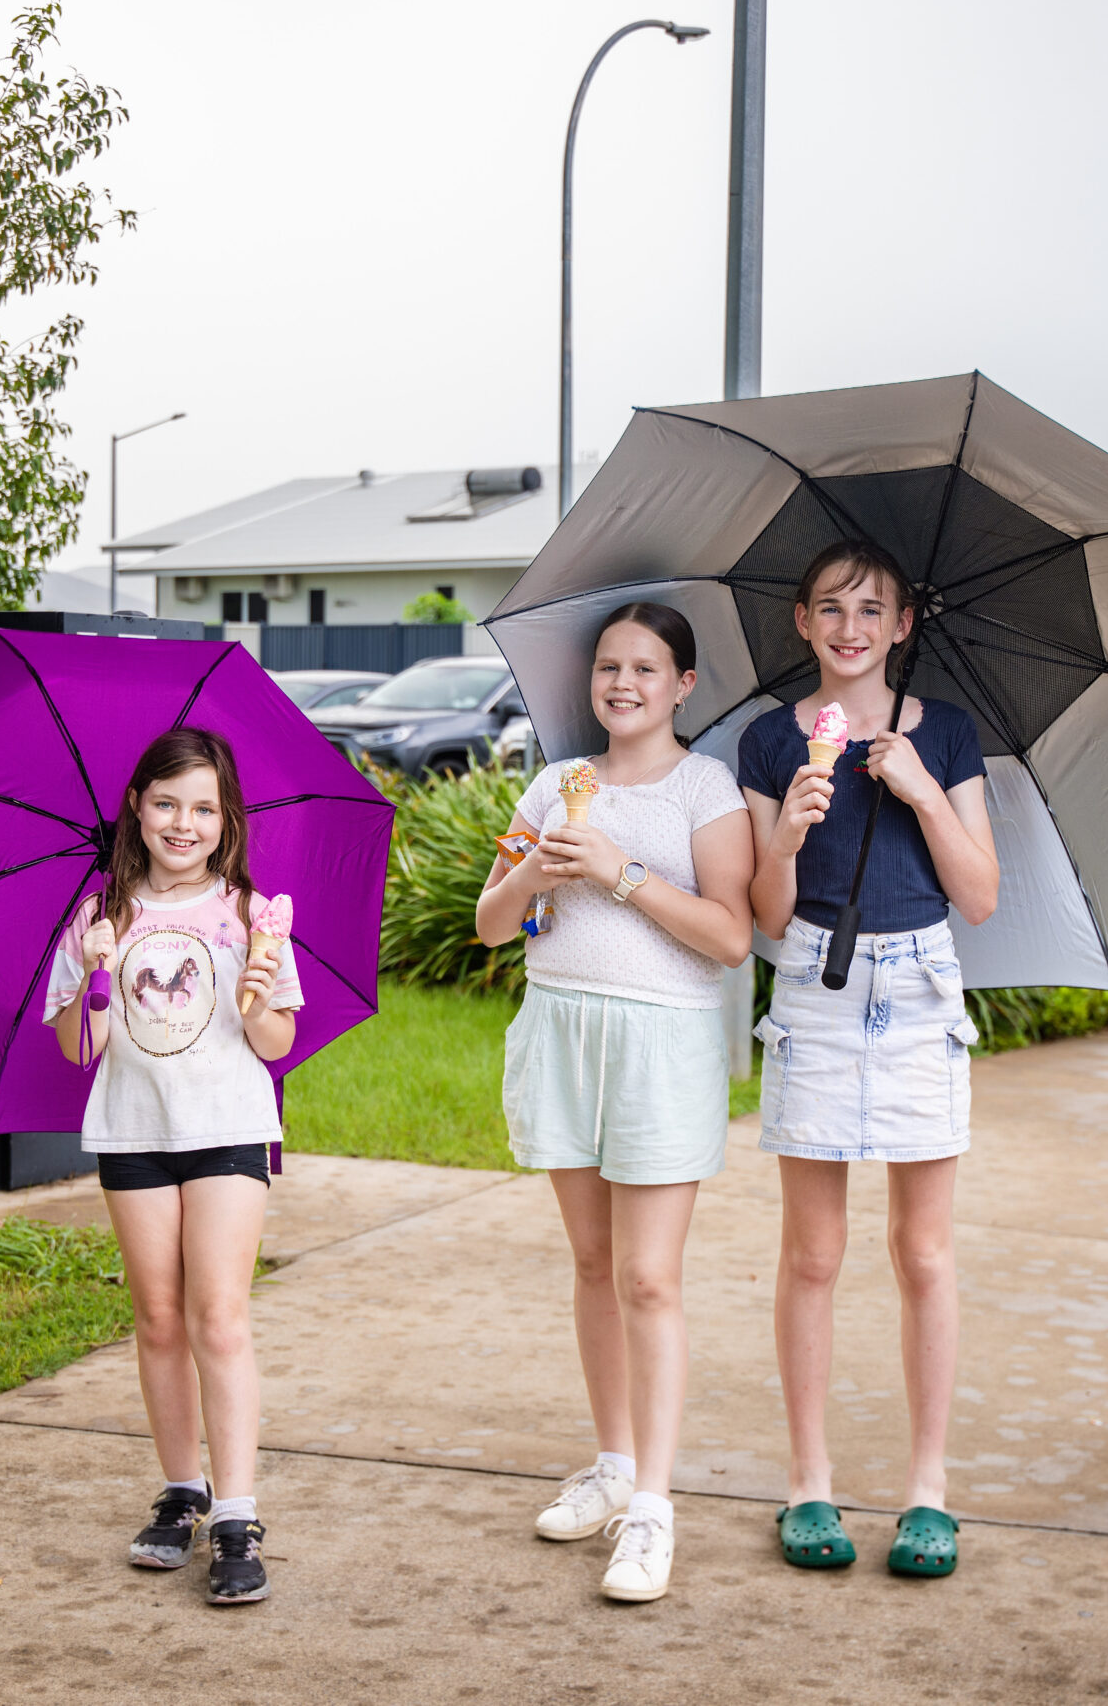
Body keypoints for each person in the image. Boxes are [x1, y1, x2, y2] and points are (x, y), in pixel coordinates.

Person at [474, 602, 754, 1604]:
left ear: (683, 684)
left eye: (644, 668)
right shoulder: (555, 784)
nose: (622, 683)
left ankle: (653, 1510)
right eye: (608, 667)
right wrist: (536, 867)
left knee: (648, 1277)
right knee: (592, 1264)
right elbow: (490, 923)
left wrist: (619, 872)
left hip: (659, 1044)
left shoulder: (704, 788)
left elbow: (730, 937)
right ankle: (613, 1465)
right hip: (561, 1029)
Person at [737, 539, 999, 1580]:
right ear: (802, 622)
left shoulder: (950, 733)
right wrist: (789, 834)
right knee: (812, 1253)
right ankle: (809, 1483)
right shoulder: (770, 741)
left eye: (872, 608)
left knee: (923, 1253)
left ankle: (928, 1491)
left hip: (922, 983)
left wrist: (923, 790)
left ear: (902, 626)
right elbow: (765, 917)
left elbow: (979, 896)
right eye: (832, 607)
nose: (851, 626)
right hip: (815, 981)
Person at [44, 727, 297, 1607]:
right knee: (157, 1319)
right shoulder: (100, 917)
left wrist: (256, 998)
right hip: (133, 1132)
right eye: (165, 804)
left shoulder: (249, 913)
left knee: (217, 1317)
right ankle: (182, 1489)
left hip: (227, 1128)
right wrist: (95, 976)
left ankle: (236, 1514)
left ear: (227, 820)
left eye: (203, 808)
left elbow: (277, 1041)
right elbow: (79, 1049)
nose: (183, 824)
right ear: (136, 808)